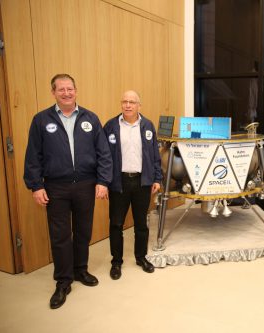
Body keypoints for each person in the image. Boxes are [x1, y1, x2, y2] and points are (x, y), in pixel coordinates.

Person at [24, 74, 112, 309]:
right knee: (60, 236)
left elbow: (103, 153)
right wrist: (36, 185)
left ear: (76, 90)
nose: (66, 93)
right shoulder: (41, 120)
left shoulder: (90, 118)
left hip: (86, 184)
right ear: (53, 92)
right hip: (56, 187)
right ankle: (63, 281)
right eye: (60, 89)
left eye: (69, 89)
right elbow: (34, 156)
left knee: (83, 231)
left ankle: (80, 270)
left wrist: (103, 181)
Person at [103, 90, 162, 280]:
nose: (128, 105)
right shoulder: (111, 126)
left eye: (132, 102)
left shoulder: (147, 126)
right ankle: (116, 262)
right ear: (121, 104)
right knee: (116, 224)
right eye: (124, 101)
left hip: (142, 182)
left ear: (139, 105)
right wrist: (103, 182)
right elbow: (103, 157)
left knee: (141, 224)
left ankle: (141, 257)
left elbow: (155, 156)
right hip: (118, 183)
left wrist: (157, 179)